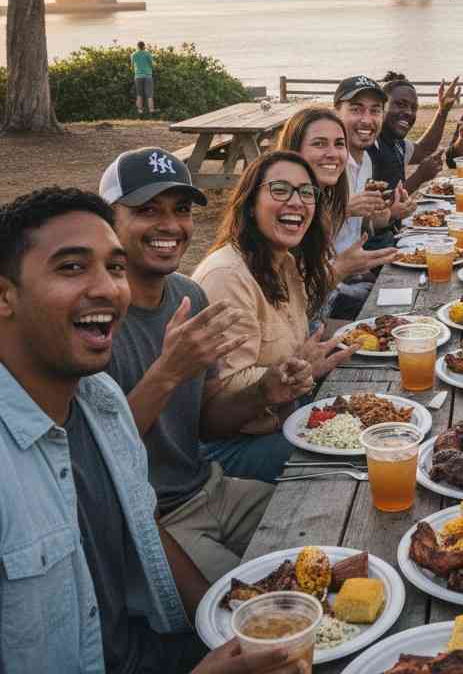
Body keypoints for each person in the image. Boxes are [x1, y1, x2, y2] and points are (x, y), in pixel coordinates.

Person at [0, 188, 312, 674]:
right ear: (5, 295)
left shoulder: (98, 400)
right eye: (71, 267)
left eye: (114, 267)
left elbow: (144, 529)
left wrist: (220, 630)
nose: (106, 288)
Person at [100, 147, 317, 584]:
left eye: (180, 210)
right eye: (147, 210)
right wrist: (168, 372)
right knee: (269, 605)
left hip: (211, 487)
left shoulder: (188, 296)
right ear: (109, 220)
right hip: (154, 519)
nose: (170, 225)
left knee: (325, 517)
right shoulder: (95, 317)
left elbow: (207, 424)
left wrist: (264, 391)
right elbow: (96, 454)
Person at [193, 151, 356, 482]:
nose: (297, 202)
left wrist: (312, 363)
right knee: (351, 465)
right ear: (250, 203)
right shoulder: (227, 275)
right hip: (231, 447)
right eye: (280, 189)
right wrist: (303, 366)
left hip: (284, 417)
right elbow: (221, 394)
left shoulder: (283, 261)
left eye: (306, 192)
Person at [277, 107, 397, 306]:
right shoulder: (286, 208)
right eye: (319, 144)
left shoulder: (321, 197)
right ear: (294, 150)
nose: (332, 154)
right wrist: (342, 269)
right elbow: (288, 302)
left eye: (339, 144)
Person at [332, 75, 411, 316]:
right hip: (329, 287)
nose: (367, 119)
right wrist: (343, 209)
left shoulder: (365, 159)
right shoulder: (328, 163)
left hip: (355, 273)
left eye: (375, 110)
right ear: (336, 113)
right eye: (356, 109)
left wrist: (391, 213)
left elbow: (359, 225)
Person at [370, 73, 462, 195]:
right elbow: (376, 206)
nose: (408, 112)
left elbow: (424, 150)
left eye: (414, 108)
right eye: (400, 104)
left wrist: (443, 111)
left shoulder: (397, 144)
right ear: (380, 106)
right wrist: (420, 176)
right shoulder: (369, 147)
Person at [132, 39, 155, 116]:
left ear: (137, 47)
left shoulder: (133, 55)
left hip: (138, 76)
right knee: (149, 94)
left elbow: (132, 66)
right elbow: (152, 64)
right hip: (148, 76)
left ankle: (140, 111)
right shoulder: (147, 54)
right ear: (144, 46)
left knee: (139, 94)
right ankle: (151, 111)